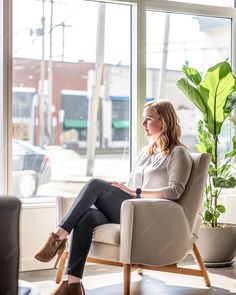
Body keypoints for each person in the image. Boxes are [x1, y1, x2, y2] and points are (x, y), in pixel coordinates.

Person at [34, 100, 193, 295]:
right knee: (87, 217)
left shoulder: (179, 153)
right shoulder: (146, 152)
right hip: (130, 209)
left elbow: (175, 191)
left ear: (164, 121)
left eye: (148, 119)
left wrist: (136, 192)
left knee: (95, 185)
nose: (143, 124)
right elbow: (132, 183)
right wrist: (123, 189)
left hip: (149, 215)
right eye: (143, 120)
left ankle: (58, 236)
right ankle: (73, 283)